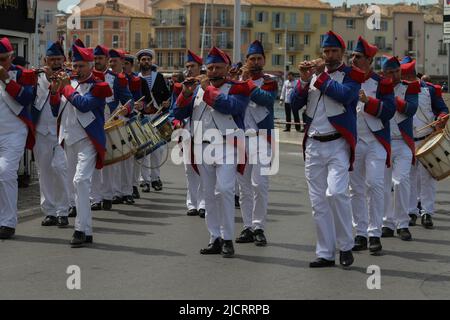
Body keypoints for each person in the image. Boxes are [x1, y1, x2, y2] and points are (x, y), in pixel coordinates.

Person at [291, 31, 364, 268]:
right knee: (318, 203)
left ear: (342, 53)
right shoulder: (312, 76)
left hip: (337, 144)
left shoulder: (352, 75)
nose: (329, 56)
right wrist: (303, 80)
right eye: (326, 52)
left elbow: (345, 96)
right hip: (313, 143)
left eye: (334, 52)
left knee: (336, 193)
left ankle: (345, 245)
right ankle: (325, 252)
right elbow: (294, 103)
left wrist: (320, 76)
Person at [173, 46, 250, 258]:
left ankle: (227, 238)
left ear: (226, 68)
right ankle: (214, 237)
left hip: (227, 146)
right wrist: (184, 95)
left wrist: (207, 89)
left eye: (218, 67)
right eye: (210, 67)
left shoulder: (239, 87)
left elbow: (230, 107)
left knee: (224, 190)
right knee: (208, 194)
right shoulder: (196, 89)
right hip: (202, 146)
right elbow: (177, 112)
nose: (213, 71)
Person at [49, 41, 112, 247]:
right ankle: (87, 230)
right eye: (74, 66)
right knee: (73, 185)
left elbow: (83, 105)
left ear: (91, 65)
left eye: (81, 66)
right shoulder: (71, 84)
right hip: (69, 139)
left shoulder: (100, 86)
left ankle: (79, 229)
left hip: (88, 140)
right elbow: (54, 110)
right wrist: (54, 91)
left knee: (81, 181)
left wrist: (66, 86)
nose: (76, 69)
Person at [348, 37, 395, 254]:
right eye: (353, 56)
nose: (353, 59)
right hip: (354, 142)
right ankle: (360, 233)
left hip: (375, 141)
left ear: (369, 59)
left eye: (358, 56)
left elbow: (389, 111)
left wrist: (369, 102)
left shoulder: (382, 82)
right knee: (355, 188)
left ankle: (374, 233)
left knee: (374, 185)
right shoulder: (346, 79)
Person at [235, 40, 277, 246]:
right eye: (252, 59)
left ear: (264, 60)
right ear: (247, 60)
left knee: (260, 185)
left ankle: (259, 226)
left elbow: (265, 99)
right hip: (240, 139)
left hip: (262, 139)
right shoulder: (236, 81)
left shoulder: (270, 81)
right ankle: (247, 226)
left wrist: (246, 82)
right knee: (243, 188)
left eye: (259, 58)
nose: (256, 62)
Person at [401, 57, 448, 229]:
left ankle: (427, 212)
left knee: (427, 179)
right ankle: (412, 211)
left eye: (406, 77)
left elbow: (443, 109)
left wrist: (441, 118)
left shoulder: (430, 90)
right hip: (406, 141)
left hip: (426, 140)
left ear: (413, 76)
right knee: (409, 178)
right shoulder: (399, 90)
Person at [31, 41, 71, 228]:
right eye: (51, 59)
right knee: (44, 171)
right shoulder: (37, 78)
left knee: (60, 169)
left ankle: (63, 210)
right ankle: (49, 211)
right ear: (45, 60)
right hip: (42, 130)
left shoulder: (70, 77)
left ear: (64, 59)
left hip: (63, 130)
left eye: (58, 59)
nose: (55, 62)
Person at [380, 55, 419, 241]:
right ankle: (387, 222)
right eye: (390, 72)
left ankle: (402, 223)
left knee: (400, 180)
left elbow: (411, 109)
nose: (395, 75)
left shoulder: (409, 87)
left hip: (403, 142)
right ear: (384, 73)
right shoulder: (378, 87)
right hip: (384, 142)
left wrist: (392, 99)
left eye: (397, 71)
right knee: (385, 184)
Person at [0, 37, 35, 239]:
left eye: (4, 59)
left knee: (5, 172)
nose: (0, 63)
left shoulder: (24, 74)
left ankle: (8, 223)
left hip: (14, 132)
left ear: (11, 56)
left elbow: (26, 98)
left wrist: (5, 79)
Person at [175, 50, 206, 218]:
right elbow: (176, 111)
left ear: (200, 67)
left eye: (192, 66)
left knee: (203, 169)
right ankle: (191, 203)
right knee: (189, 170)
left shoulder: (206, 84)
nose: (189, 70)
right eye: (187, 67)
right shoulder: (184, 86)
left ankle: (203, 202)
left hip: (206, 132)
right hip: (187, 131)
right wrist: (184, 93)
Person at [136, 49, 171, 192]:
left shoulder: (159, 77)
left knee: (158, 150)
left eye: (148, 59)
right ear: (139, 62)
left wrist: (166, 103)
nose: (146, 62)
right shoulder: (136, 79)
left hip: (157, 117)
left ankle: (156, 178)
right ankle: (144, 180)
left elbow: (168, 96)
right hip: (143, 117)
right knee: (144, 150)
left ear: (151, 61)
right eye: (143, 59)